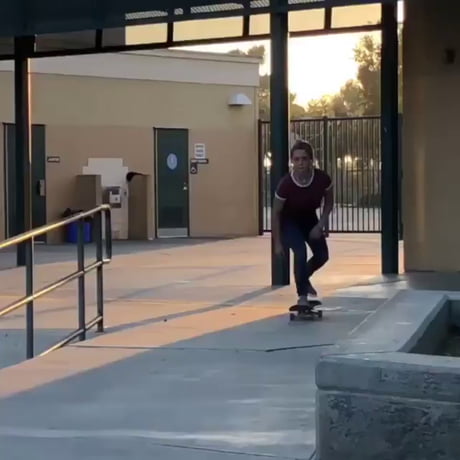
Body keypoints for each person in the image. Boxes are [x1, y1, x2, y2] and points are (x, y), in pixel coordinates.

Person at [272, 139, 334, 307]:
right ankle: (302, 296)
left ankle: (303, 279)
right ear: (292, 161)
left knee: (322, 255)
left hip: (309, 219)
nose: (300, 163)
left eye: (304, 159)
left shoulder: (322, 179)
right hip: (289, 221)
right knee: (300, 252)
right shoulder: (286, 184)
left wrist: (320, 225)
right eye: (297, 159)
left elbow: (329, 202)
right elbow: (276, 213)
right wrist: (277, 243)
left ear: (311, 160)